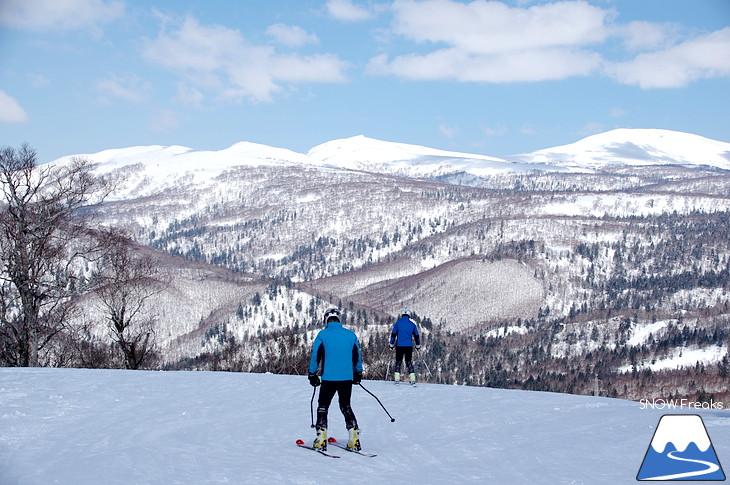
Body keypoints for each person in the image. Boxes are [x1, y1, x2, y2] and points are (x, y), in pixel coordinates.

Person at [307, 307, 363, 451]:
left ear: (326, 319)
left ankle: (321, 438)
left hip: (329, 378)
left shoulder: (322, 335)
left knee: (323, 406)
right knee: (346, 406)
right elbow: (357, 355)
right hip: (346, 378)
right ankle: (354, 437)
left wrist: (312, 374)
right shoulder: (350, 335)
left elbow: (315, 356)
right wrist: (357, 373)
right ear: (339, 320)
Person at [389, 308, 421, 384]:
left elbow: (393, 335)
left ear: (402, 314)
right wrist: (418, 345)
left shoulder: (398, 323)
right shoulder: (412, 324)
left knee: (398, 362)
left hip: (399, 346)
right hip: (408, 346)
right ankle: (412, 378)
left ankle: (397, 378)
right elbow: (416, 336)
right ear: (409, 315)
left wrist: (391, 344)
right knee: (408, 361)